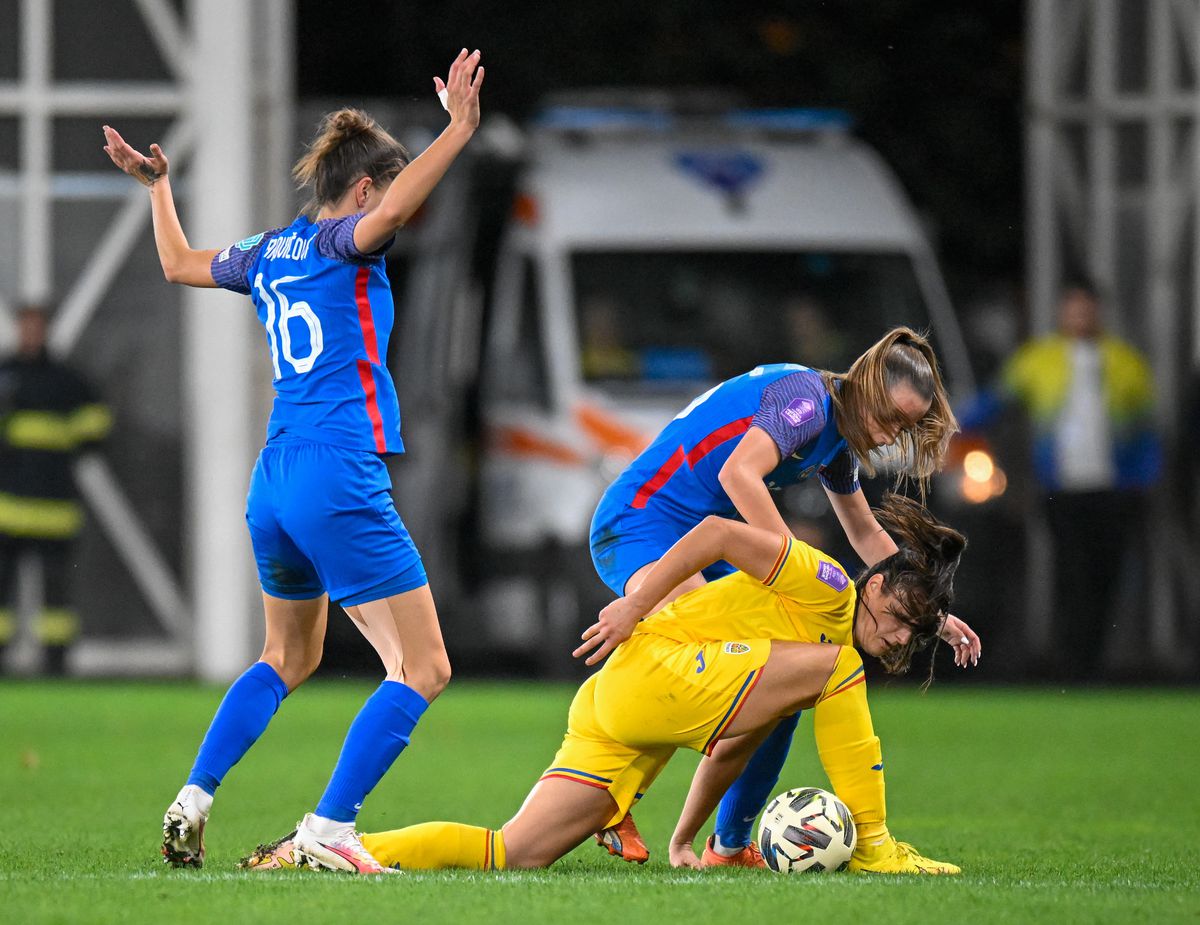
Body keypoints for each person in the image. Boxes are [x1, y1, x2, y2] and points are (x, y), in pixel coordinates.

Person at [101, 48, 484, 874]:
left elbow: (177, 264)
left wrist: (158, 187)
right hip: (336, 472)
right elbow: (394, 213)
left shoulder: (269, 250)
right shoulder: (347, 241)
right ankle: (330, 828)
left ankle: (194, 796)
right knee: (424, 665)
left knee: (289, 656)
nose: (394, 212)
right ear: (361, 191)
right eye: (385, 192)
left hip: (273, 477)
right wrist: (457, 131)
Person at [241, 495, 964, 875]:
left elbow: (735, 741)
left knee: (513, 852)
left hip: (623, 700)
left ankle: (320, 849)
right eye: (900, 617)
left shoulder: (796, 665)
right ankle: (874, 844)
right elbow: (717, 531)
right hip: (656, 668)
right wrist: (635, 603)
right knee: (838, 671)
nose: (901, 638)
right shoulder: (826, 584)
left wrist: (686, 837)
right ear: (873, 586)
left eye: (915, 633)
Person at [586, 326, 981, 866]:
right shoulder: (807, 400)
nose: (892, 436)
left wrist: (930, 614)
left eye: (904, 427)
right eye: (892, 417)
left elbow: (866, 535)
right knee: (693, 658)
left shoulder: (837, 440)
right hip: (642, 522)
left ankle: (728, 846)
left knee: (781, 682)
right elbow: (739, 474)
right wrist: (792, 572)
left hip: (702, 535)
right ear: (866, 383)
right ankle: (609, 796)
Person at [959, 280, 1160, 679]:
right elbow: (996, 401)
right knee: (1070, 573)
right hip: (1060, 490)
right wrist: (950, 425)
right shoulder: (1039, 360)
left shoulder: (1125, 363)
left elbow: (1145, 432)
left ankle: (1095, 662)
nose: (1079, 316)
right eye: (1073, 307)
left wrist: (1143, 481)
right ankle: (1073, 662)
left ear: (1098, 312)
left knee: (1106, 575)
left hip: (1113, 490)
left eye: (1086, 308)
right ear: (1062, 312)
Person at [0, 304, 112, 674]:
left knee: (56, 592)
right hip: (9, 508)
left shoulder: (67, 381)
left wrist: (75, 441)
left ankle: (55, 660)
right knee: (3, 588)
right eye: (26, 326)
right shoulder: (6, 375)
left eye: (37, 327)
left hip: (54, 509)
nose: (31, 334)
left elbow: (96, 423)